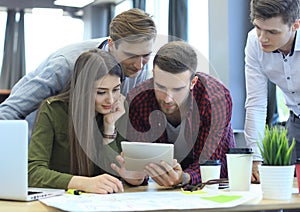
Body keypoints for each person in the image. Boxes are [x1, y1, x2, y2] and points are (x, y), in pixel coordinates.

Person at [0, 8, 156, 138]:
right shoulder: (66, 64)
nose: (139, 65)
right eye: (131, 56)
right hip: (33, 136)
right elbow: (9, 112)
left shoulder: (136, 68)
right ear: (112, 44)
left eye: (146, 55)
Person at [112, 41, 235, 186]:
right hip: (158, 190)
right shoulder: (138, 100)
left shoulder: (216, 99)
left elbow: (211, 163)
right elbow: (140, 163)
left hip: (214, 185)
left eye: (177, 89)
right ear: (153, 76)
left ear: (193, 82)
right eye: (160, 87)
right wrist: (136, 176)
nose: (167, 99)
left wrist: (184, 178)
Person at [28, 49, 129, 194]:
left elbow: (115, 172)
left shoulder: (119, 109)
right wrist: (83, 183)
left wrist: (109, 128)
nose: (111, 100)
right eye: (101, 92)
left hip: (103, 201)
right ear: (83, 89)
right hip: (61, 200)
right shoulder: (53, 110)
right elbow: (33, 172)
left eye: (116, 89)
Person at [244, 0, 300, 183]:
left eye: (272, 32)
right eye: (259, 28)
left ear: (295, 25)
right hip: (296, 120)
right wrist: (255, 157)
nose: (262, 38)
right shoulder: (254, 42)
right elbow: (256, 103)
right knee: (290, 193)